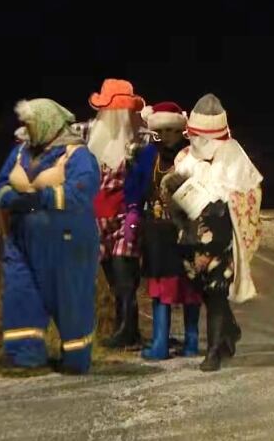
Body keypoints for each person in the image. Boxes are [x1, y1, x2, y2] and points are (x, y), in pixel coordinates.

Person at [0, 98, 100, 374]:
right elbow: (1, 184)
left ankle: (76, 359)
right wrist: (11, 200)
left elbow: (82, 191)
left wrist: (41, 198)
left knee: (70, 296)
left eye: (31, 123)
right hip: (22, 240)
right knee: (21, 292)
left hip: (67, 241)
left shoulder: (77, 156)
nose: (27, 128)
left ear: (46, 123)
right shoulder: (21, 153)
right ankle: (25, 355)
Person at [163, 93, 263, 371]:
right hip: (191, 239)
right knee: (203, 290)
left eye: (204, 138)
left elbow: (250, 193)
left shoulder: (233, 156)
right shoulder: (186, 156)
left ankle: (215, 350)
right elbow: (170, 189)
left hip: (221, 239)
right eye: (194, 136)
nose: (198, 143)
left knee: (217, 290)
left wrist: (224, 203)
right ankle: (229, 329)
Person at [133, 102, 203, 360]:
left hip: (184, 229)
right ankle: (161, 342)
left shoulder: (191, 156)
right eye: (160, 130)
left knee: (190, 285)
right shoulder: (149, 155)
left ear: (180, 130)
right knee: (159, 287)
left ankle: (192, 342)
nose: (165, 136)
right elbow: (138, 189)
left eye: (171, 130)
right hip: (156, 232)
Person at [86, 78, 147, 349]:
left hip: (125, 218)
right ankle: (124, 328)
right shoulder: (91, 134)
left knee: (125, 277)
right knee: (113, 279)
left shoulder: (138, 139)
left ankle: (127, 330)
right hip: (98, 219)